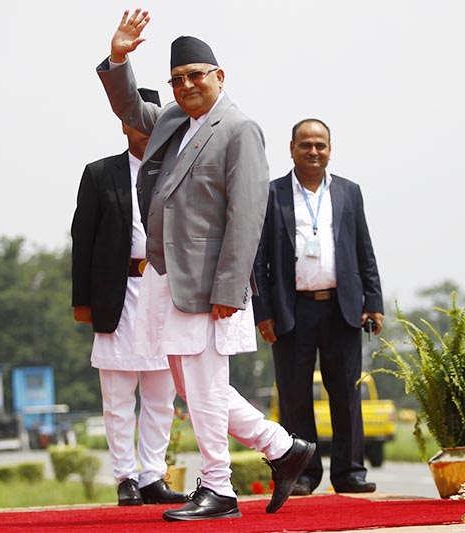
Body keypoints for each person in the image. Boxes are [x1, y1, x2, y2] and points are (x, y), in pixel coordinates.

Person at [95, 9, 315, 522]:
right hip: (168, 278)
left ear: (220, 76)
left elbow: (247, 215)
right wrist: (119, 59)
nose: (187, 85)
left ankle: (219, 488)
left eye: (197, 74)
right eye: (177, 79)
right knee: (193, 386)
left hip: (210, 282)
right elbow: (130, 107)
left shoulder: (239, 129)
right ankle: (281, 447)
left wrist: (230, 287)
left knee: (203, 384)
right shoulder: (175, 119)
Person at [71, 88, 188, 507]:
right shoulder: (101, 173)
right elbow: (82, 240)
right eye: (136, 120)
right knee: (118, 396)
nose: (144, 129)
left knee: (161, 394)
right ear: (124, 123)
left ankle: (153, 474)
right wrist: (81, 298)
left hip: (163, 290)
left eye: (153, 121)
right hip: (115, 293)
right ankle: (126, 477)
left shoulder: (178, 170)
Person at [252, 118, 383, 496]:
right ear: (291, 149)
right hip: (291, 310)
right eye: (305, 145)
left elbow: (364, 249)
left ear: (330, 149)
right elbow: (257, 260)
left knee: (345, 391)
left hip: (341, 307)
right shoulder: (271, 193)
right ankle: (305, 474)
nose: (313, 152)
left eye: (320, 145)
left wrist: (372, 300)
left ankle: (349, 473)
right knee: (294, 396)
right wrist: (263, 312)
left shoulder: (348, 192)